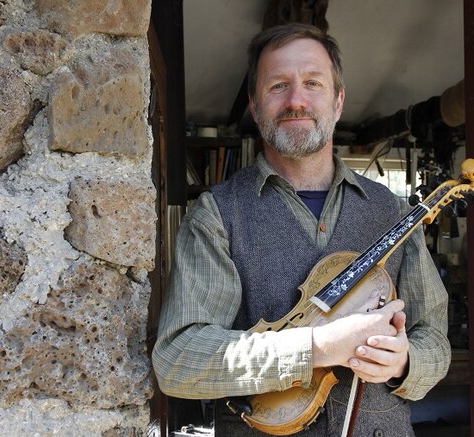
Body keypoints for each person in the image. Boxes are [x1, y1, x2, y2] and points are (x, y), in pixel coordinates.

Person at [153, 23, 450, 436]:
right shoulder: (217, 214)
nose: (296, 100)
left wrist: (403, 363)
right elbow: (178, 360)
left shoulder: (393, 211)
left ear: (338, 101)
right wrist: (318, 347)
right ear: (255, 108)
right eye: (278, 86)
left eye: (313, 83)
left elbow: (434, 338)